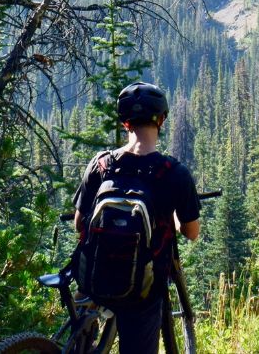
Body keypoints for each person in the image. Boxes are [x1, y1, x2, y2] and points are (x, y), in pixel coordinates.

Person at [71, 82, 202, 354]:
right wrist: (175, 219)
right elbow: (192, 232)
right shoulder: (174, 173)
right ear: (161, 120)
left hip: (95, 279)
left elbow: (79, 224)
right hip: (142, 292)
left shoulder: (101, 164)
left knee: (80, 329)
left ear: (125, 123)